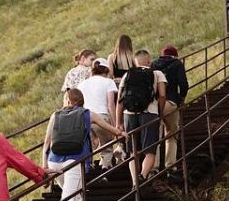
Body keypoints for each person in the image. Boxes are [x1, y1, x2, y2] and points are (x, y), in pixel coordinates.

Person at [41, 88, 124, 201]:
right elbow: (108, 127)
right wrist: (121, 134)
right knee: (69, 198)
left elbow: (46, 143)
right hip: (75, 162)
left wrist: (44, 166)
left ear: (67, 100)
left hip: (54, 162)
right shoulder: (88, 114)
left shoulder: (55, 115)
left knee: (75, 195)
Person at [113, 50, 167, 182]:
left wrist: (118, 122)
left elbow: (120, 99)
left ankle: (134, 183)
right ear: (149, 61)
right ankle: (142, 175)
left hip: (129, 115)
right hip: (149, 115)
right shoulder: (157, 73)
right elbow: (162, 95)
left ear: (135, 62)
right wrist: (159, 112)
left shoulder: (128, 74)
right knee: (150, 151)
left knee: (133, 152)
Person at [77, 58, 121, 167]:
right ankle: (104, 171)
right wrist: (115, 125)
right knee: (106, 147)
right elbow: (111, 104)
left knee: (89, 146)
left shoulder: (82, 84)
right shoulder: (108, 82)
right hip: (102, 117)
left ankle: (87, 169)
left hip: (85, 117)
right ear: (106, 70)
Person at [151, 45, 189, 171]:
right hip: (171, 102)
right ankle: (170, 166)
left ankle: (154, 167)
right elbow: (184, 84)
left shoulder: (153, 64)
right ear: (175, 55)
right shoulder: (177, 64)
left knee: (155, 135)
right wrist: (182, 99)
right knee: (171, 135)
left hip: (156, 104)